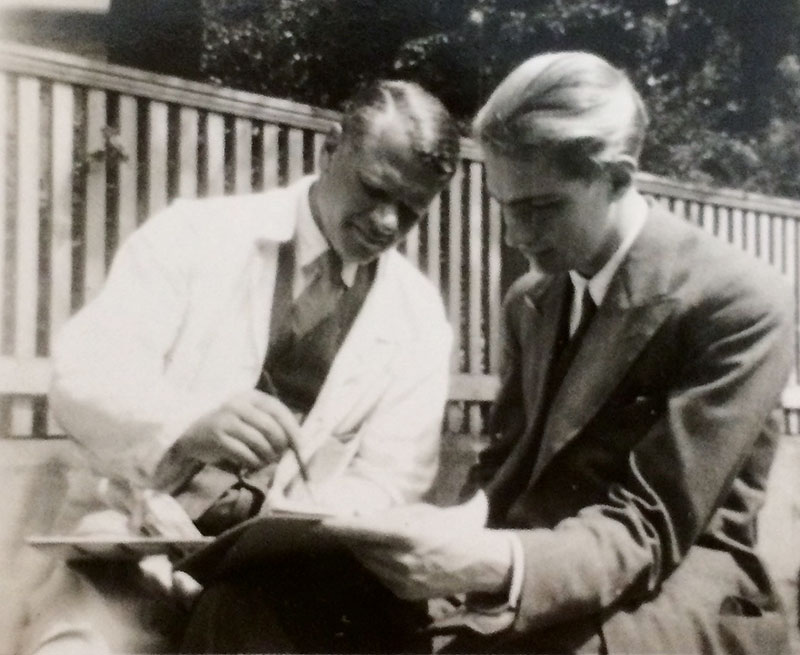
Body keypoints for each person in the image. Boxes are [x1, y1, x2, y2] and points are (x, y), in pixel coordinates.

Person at [317, 52, 795, 654]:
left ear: (618, 178)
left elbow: (652, 526)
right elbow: (503, 471)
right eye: (504, 207)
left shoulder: (739, 301)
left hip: (682, 587)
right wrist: (443, 532)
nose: (517, 237)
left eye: (541, 208)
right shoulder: (532, 300)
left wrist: (496, 563)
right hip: (540, 566)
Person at [16, 80, 460, 654]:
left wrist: (286, 530)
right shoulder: (197, 235)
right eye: (376, 189)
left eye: (410, 212)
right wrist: (186, 422)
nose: (385, 223)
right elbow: (81, 376)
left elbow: (392, 480)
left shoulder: (418, 316)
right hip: (125, 552)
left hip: (280, 588)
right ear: (332, 147)